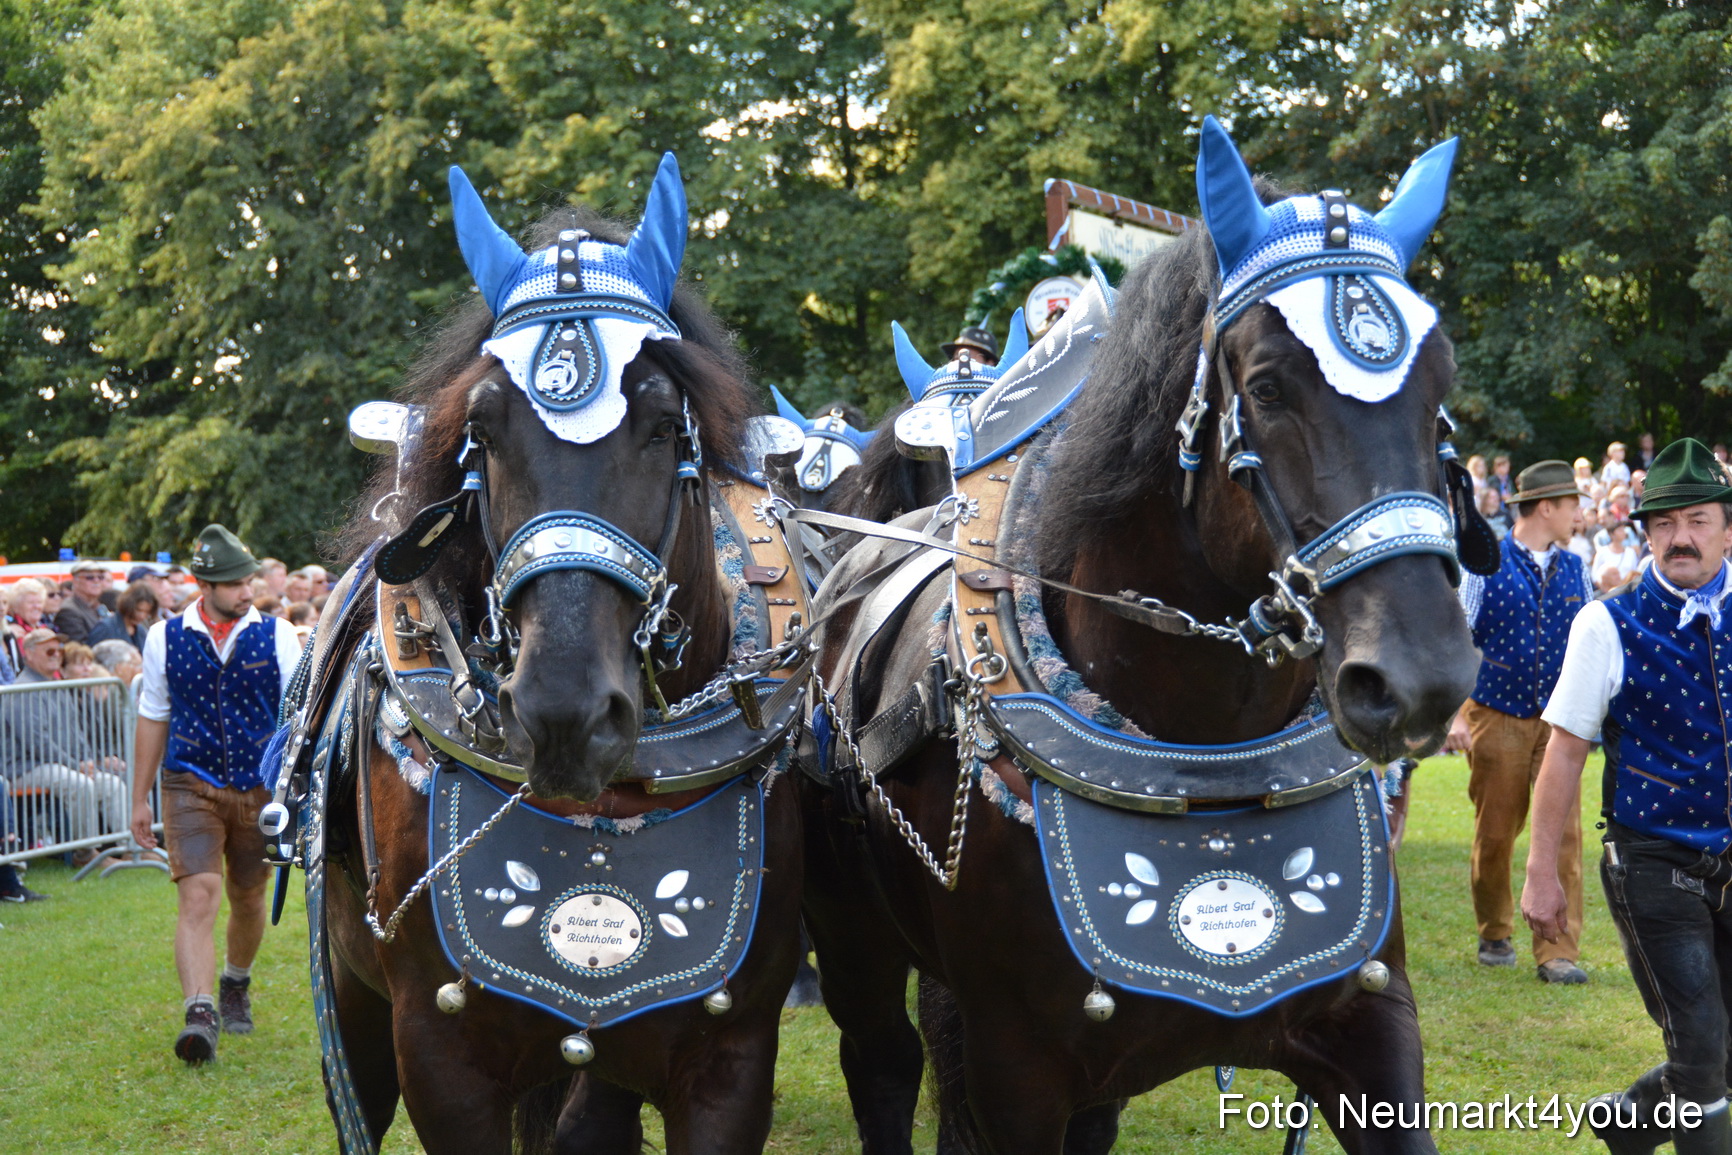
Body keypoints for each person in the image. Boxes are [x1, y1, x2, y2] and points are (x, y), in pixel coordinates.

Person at [1523, 438, 1732, 1155]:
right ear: (1645, 532)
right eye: (1664, 522)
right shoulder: (1604, 624)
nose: (1681, 536)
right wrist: (1542, 872)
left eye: (1698, 519)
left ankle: (1627, 1119)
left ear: (1727, 527)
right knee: (1703, 1058)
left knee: (1723, 1057)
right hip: (1652, 863)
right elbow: (1565, 753)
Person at [128, 524, 301, 1065]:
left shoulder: (277, 635)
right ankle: (200, 1014)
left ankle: (235, 983)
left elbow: (297, 721)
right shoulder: (165, 637)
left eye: (248, 580)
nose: (246, 591)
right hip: (189, 781)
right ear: (204, 584)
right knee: (198, 895)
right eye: (233, 583)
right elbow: (153, 716)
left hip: (259, 787)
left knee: (248, 898)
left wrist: (295, 789)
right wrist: (139, 799)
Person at [1449, 460, 1594, 983]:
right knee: (1497, 831)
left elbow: (1591, 644)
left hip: (1561, 725)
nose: (1581, 513)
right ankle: (1494, 929)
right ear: (1547, 506)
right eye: (1573, 504)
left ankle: (1556, 950)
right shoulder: (1482, 562)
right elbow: (1459, 636)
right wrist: (1457, 712)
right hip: (1497, 713)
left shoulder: (1578, 566)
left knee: (1566, 836)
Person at [0, 627, 130, 842]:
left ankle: (129, 848)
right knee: (80, 784)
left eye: (58, 651)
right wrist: (75, 764)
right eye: (49, 651)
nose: (56, 655)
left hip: (55, 763)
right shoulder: (24, 689)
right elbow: (37, 742)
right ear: (29, 655)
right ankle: (85, 852)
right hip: (24, 767)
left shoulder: (59, 685)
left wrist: (90, 760)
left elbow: (75, 733)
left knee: (111, 784)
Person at [87, 581, 159, 650]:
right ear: (129, 605)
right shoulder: (105, 628)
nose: (142, 616)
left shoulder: (140, 631)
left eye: (147, 612)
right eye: (138, 610)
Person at [56, 560, 114, 643]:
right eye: (90, 577)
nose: (96, 581)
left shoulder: (97, 606)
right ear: (76, 581)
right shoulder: (69, 611)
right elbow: (81, 647)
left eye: (100, 577)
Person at [1593, 521, 1643, 593]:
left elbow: (1634, 571)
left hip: (1627, 590)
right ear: (1611, 534)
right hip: (1608, 592)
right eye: (1620, 530)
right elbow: (1595, 576)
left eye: (1623, 530)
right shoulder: (1602, 552)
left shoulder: (1630, 552)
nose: (1623, 533)